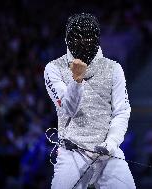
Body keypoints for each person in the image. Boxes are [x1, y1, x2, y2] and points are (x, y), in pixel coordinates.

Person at [44, 13, 136, 189]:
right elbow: (68, 109)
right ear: (68, 39)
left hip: (107, 152)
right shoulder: (54, 69)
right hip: (72, 153)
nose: (83, 43)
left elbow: (121, 111)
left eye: (88, 38)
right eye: (79, 38)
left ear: (96, 39)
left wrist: (111, 143)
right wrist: (77, 80)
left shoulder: (113, 68)